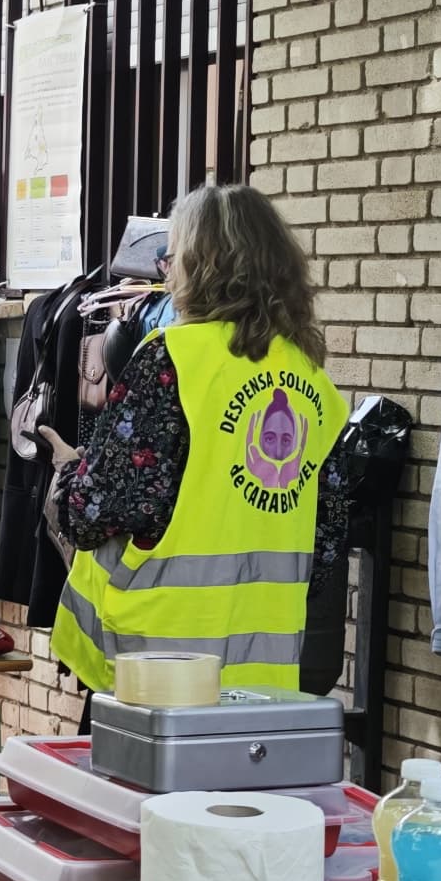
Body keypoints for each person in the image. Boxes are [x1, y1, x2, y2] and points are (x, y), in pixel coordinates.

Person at [48, 184, 357, 692]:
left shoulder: (173, 360)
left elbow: (98, 511)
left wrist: (68, 474)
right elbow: (323, 550)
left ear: (200, 265)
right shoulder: (316, 387)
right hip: (266, 671)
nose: (167, 274)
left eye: (171, 259)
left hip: (158, 663)